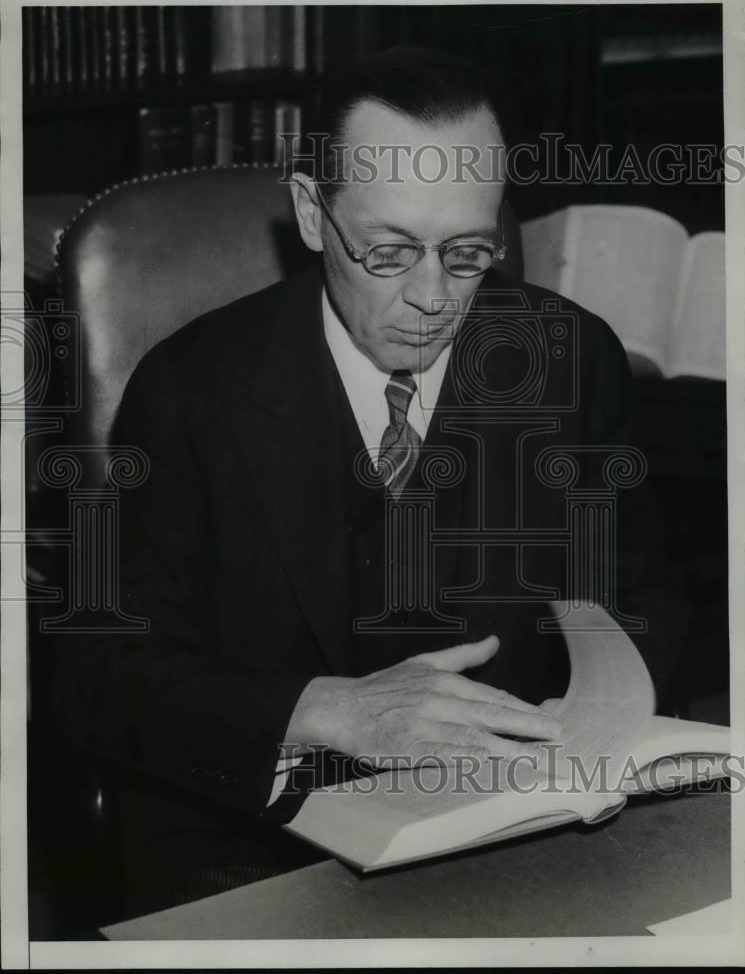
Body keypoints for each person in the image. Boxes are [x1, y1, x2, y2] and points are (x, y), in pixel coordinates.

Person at [54, 47, 681, 917]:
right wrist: (319, 710)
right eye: (388, 251)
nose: (432, 297)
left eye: (467, 252)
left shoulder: (571, 361)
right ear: (313, 213)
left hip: (520, 830)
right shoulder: (189, 389)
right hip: (265, 845)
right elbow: (92, 673)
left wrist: (578, 730)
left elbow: (642, 602)